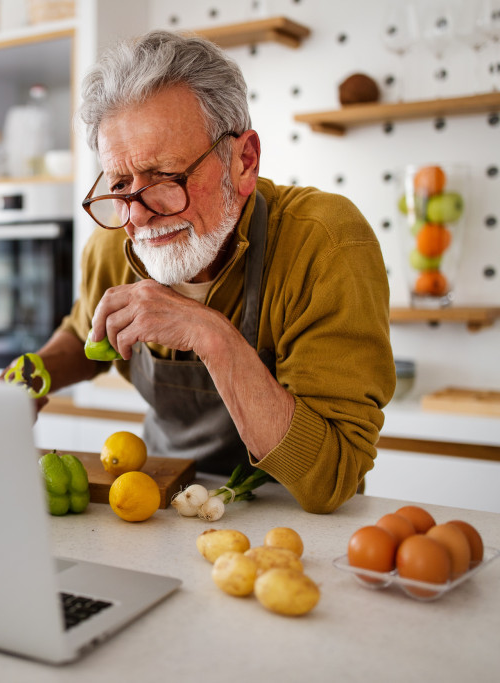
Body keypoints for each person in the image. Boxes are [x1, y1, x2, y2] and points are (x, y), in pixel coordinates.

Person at [21, 30, 396, 514]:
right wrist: (26, 383)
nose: (137, 215)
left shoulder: (325, 243)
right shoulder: (111, 243)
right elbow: (88, 333)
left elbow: (330, 477)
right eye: (119, 184)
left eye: (165, 178)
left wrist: (210, 335)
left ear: (244, 161)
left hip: (292, 516)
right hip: (161, 500)